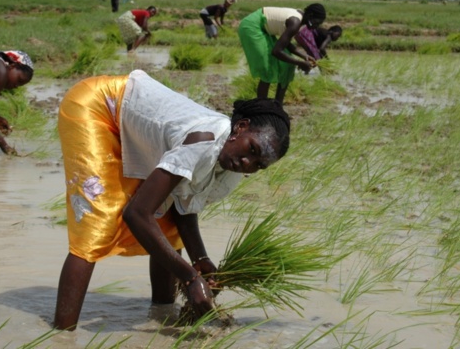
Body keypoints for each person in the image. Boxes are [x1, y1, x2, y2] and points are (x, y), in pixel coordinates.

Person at [53, 69, 291, 330]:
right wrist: (189, 278)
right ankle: (62, 335)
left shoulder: (231, 168)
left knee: (167, 227)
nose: (247, 163)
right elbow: (136, 213)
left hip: (134, 125)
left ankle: (162, 318)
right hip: (99, 107)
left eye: (258, 165)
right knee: (97, 225)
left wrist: (200, 260)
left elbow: (182, 207)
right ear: (241, 127)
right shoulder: (205, 140)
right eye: (252, 149)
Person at [237, 4, 327, 103]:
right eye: (316, 22)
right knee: (268, 67)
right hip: (252, 27)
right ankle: (261, 107)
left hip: (265, 29)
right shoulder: (295, 22)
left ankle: (278, 105)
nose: (316, 26)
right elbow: (277, 51)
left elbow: (286, 43)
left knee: (287, 65)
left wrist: (304, 56)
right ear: (310, 15)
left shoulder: (300, 20)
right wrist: (300, 63)